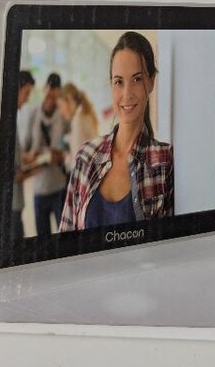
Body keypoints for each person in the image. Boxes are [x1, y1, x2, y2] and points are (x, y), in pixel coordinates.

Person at [60, 32, 173, 230]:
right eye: (119, 82)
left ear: (151, 81)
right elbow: (66, 236)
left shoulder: (164, 161)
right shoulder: (86, 157)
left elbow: (173, 244)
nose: (126, 94)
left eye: (137, 79)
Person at [22, 71, 69, 237]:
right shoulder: (33, 114)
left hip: (59, 187)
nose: (51, 97)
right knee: (42, 240)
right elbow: (25, 148)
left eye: (55, 95)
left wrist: (61, 155)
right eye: (49, 93)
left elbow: (70, 149)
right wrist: (32, 156)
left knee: (64, 237)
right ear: (44, 90)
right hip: (39, 189)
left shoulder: (63, 116)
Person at [56, 82, 100, 175]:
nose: (60, 112)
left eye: (60, 106)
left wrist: (66, 157)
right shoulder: (83, 115)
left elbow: (76, 162)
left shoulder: (77, 120)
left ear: (69, 99)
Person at [11, 70, 36, 238]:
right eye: (26, 93)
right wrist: (33, 170)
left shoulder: (13, 119)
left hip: (16, 202)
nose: (27, 99)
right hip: (12, 204)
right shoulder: (6, 121)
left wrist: (26, 158)